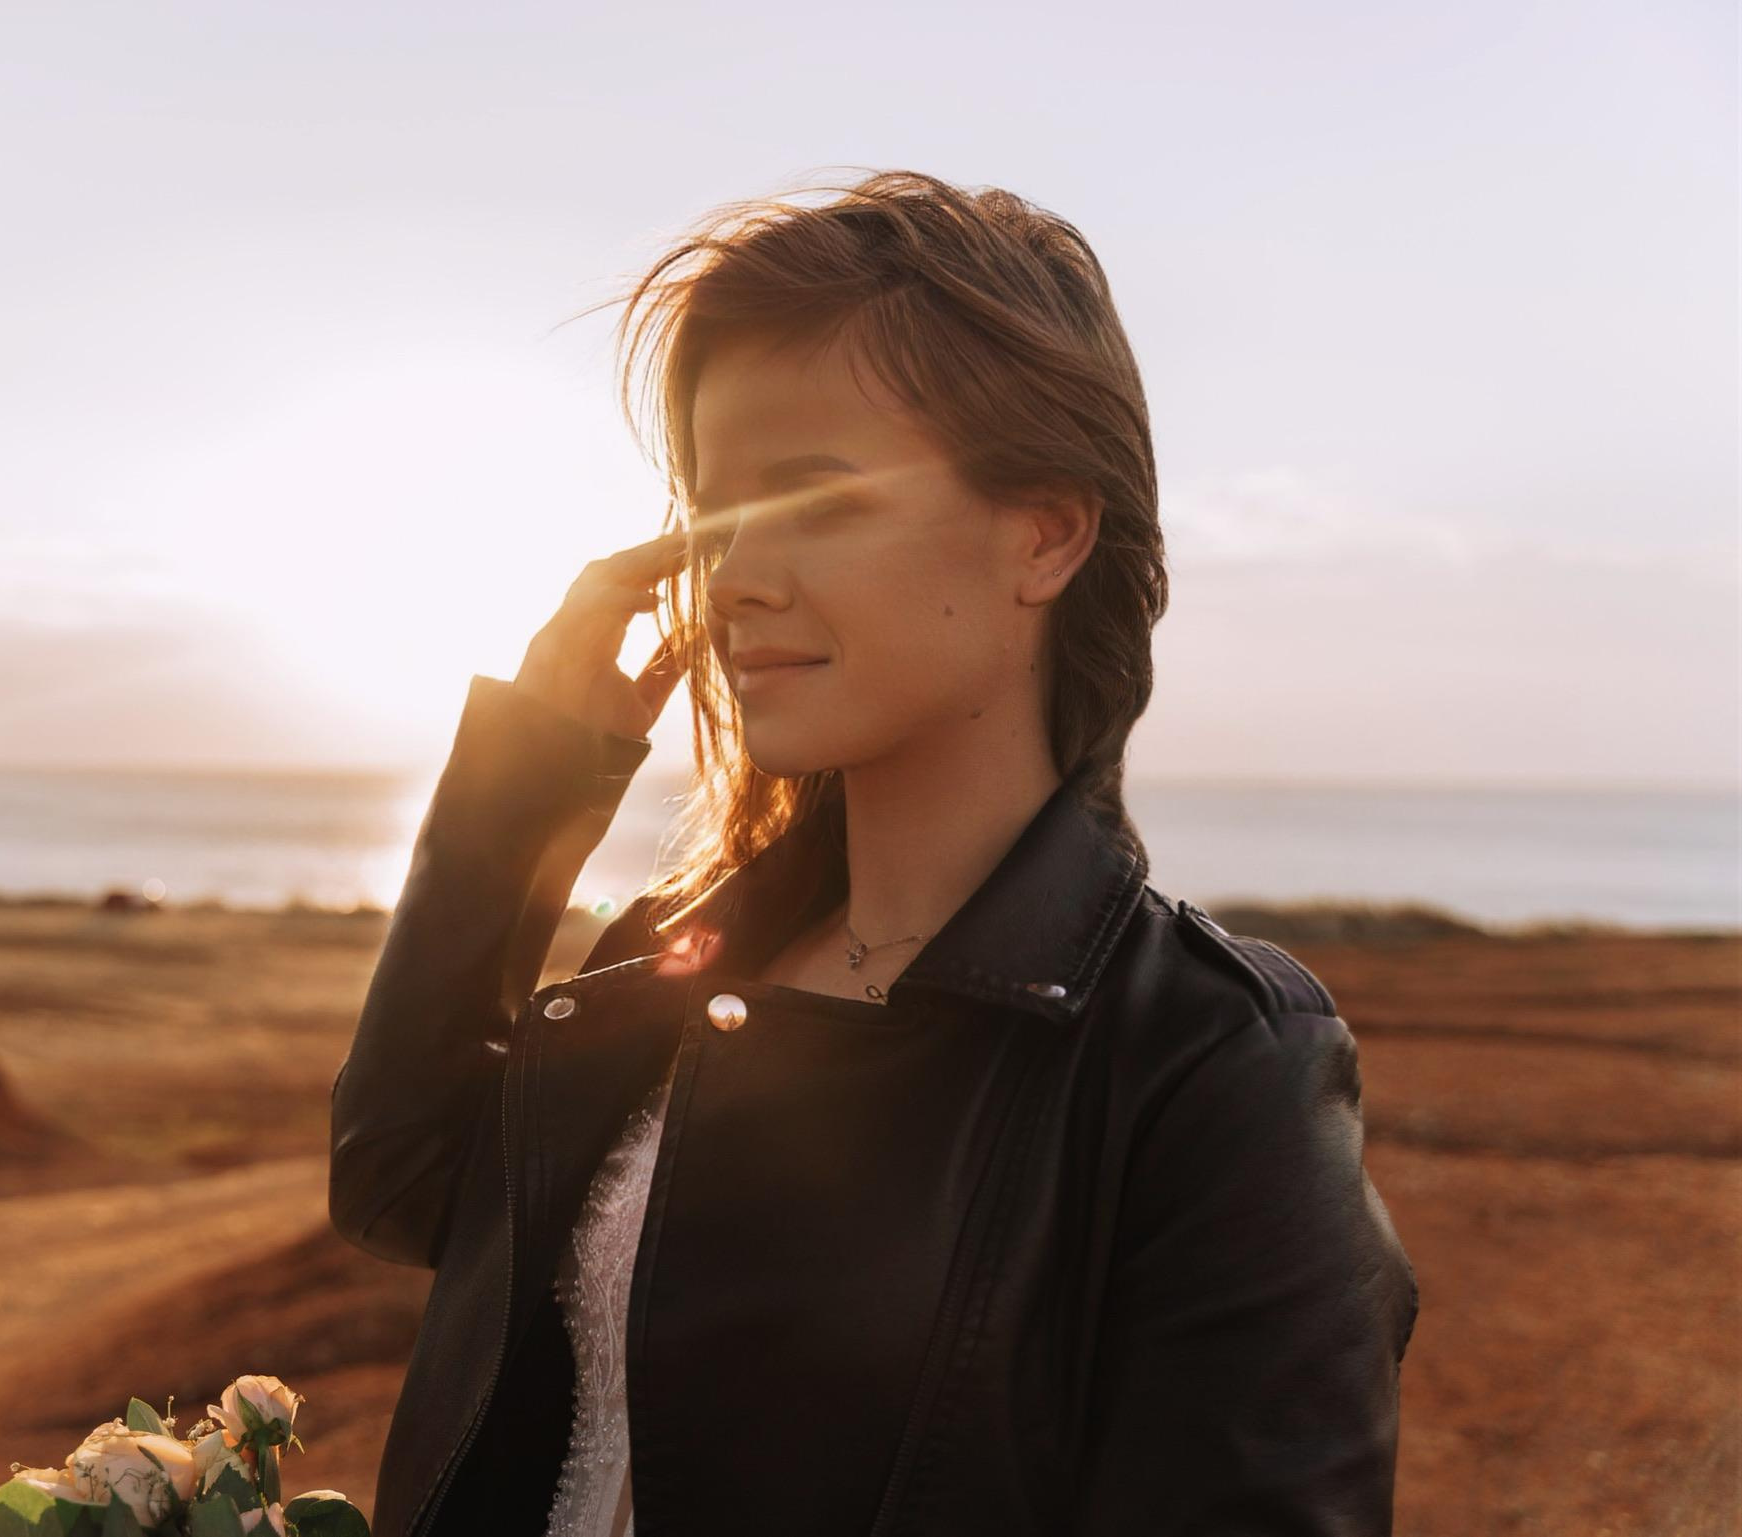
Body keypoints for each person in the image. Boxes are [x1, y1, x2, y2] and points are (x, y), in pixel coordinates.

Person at [328, 169, 1418, 1537]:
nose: (732, 577)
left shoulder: (1206, 1062)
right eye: (716, 510)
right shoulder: (672, 958)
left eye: (816, 498)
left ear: (1044, 531)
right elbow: (400, 1176)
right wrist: (523, 790)